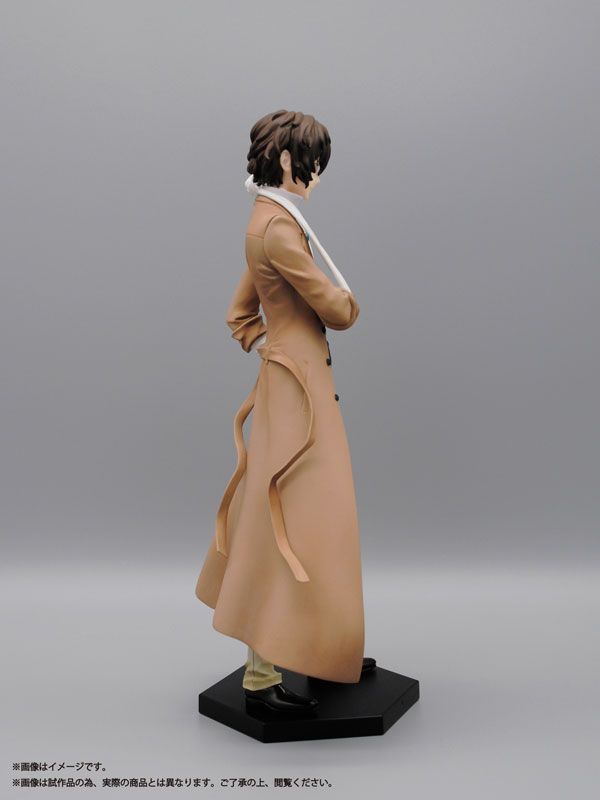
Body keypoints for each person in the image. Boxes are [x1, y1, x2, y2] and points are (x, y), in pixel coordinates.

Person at [195, 110, 375, 715]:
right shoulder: (277, 229)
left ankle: (323, 649)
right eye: (314, 165)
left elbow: (240, 314)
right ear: (290, 160)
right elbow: (338, 312)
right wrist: (333, 315)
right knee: (285, 523)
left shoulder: (272, 220)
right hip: (298, 396)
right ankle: (261, 673)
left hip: (295, 386)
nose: (318, 177)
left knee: (311, 522)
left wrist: (271, 350)